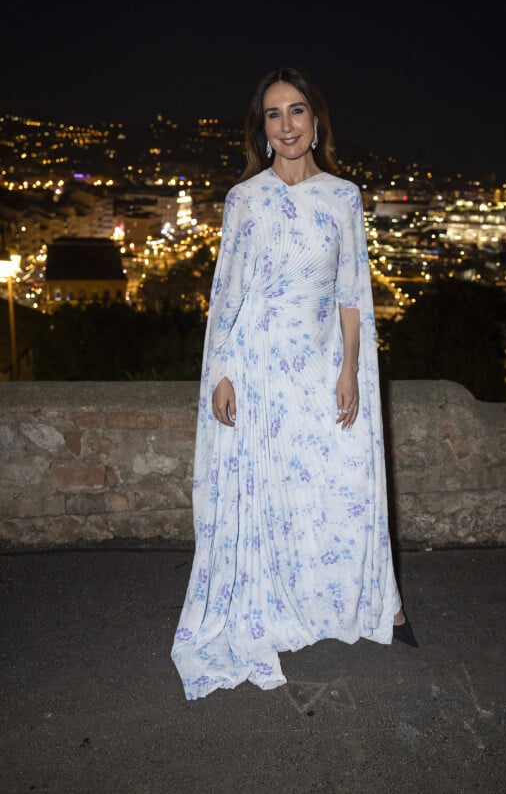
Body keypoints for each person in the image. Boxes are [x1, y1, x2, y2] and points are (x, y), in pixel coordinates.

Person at [171, 66, 417, 701]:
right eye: (274, 114)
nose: (286, 125)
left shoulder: (344, 196)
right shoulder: (244, 200)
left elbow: (352, 292)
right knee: (270, 484)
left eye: (297, 111)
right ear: (263, 128)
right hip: (256, 364)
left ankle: (370, 601)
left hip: (321, 361)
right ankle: (273, 600)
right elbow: (226, 295)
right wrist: (222, 374)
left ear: (316, 122)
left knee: (342, 478)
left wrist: (350, 371)